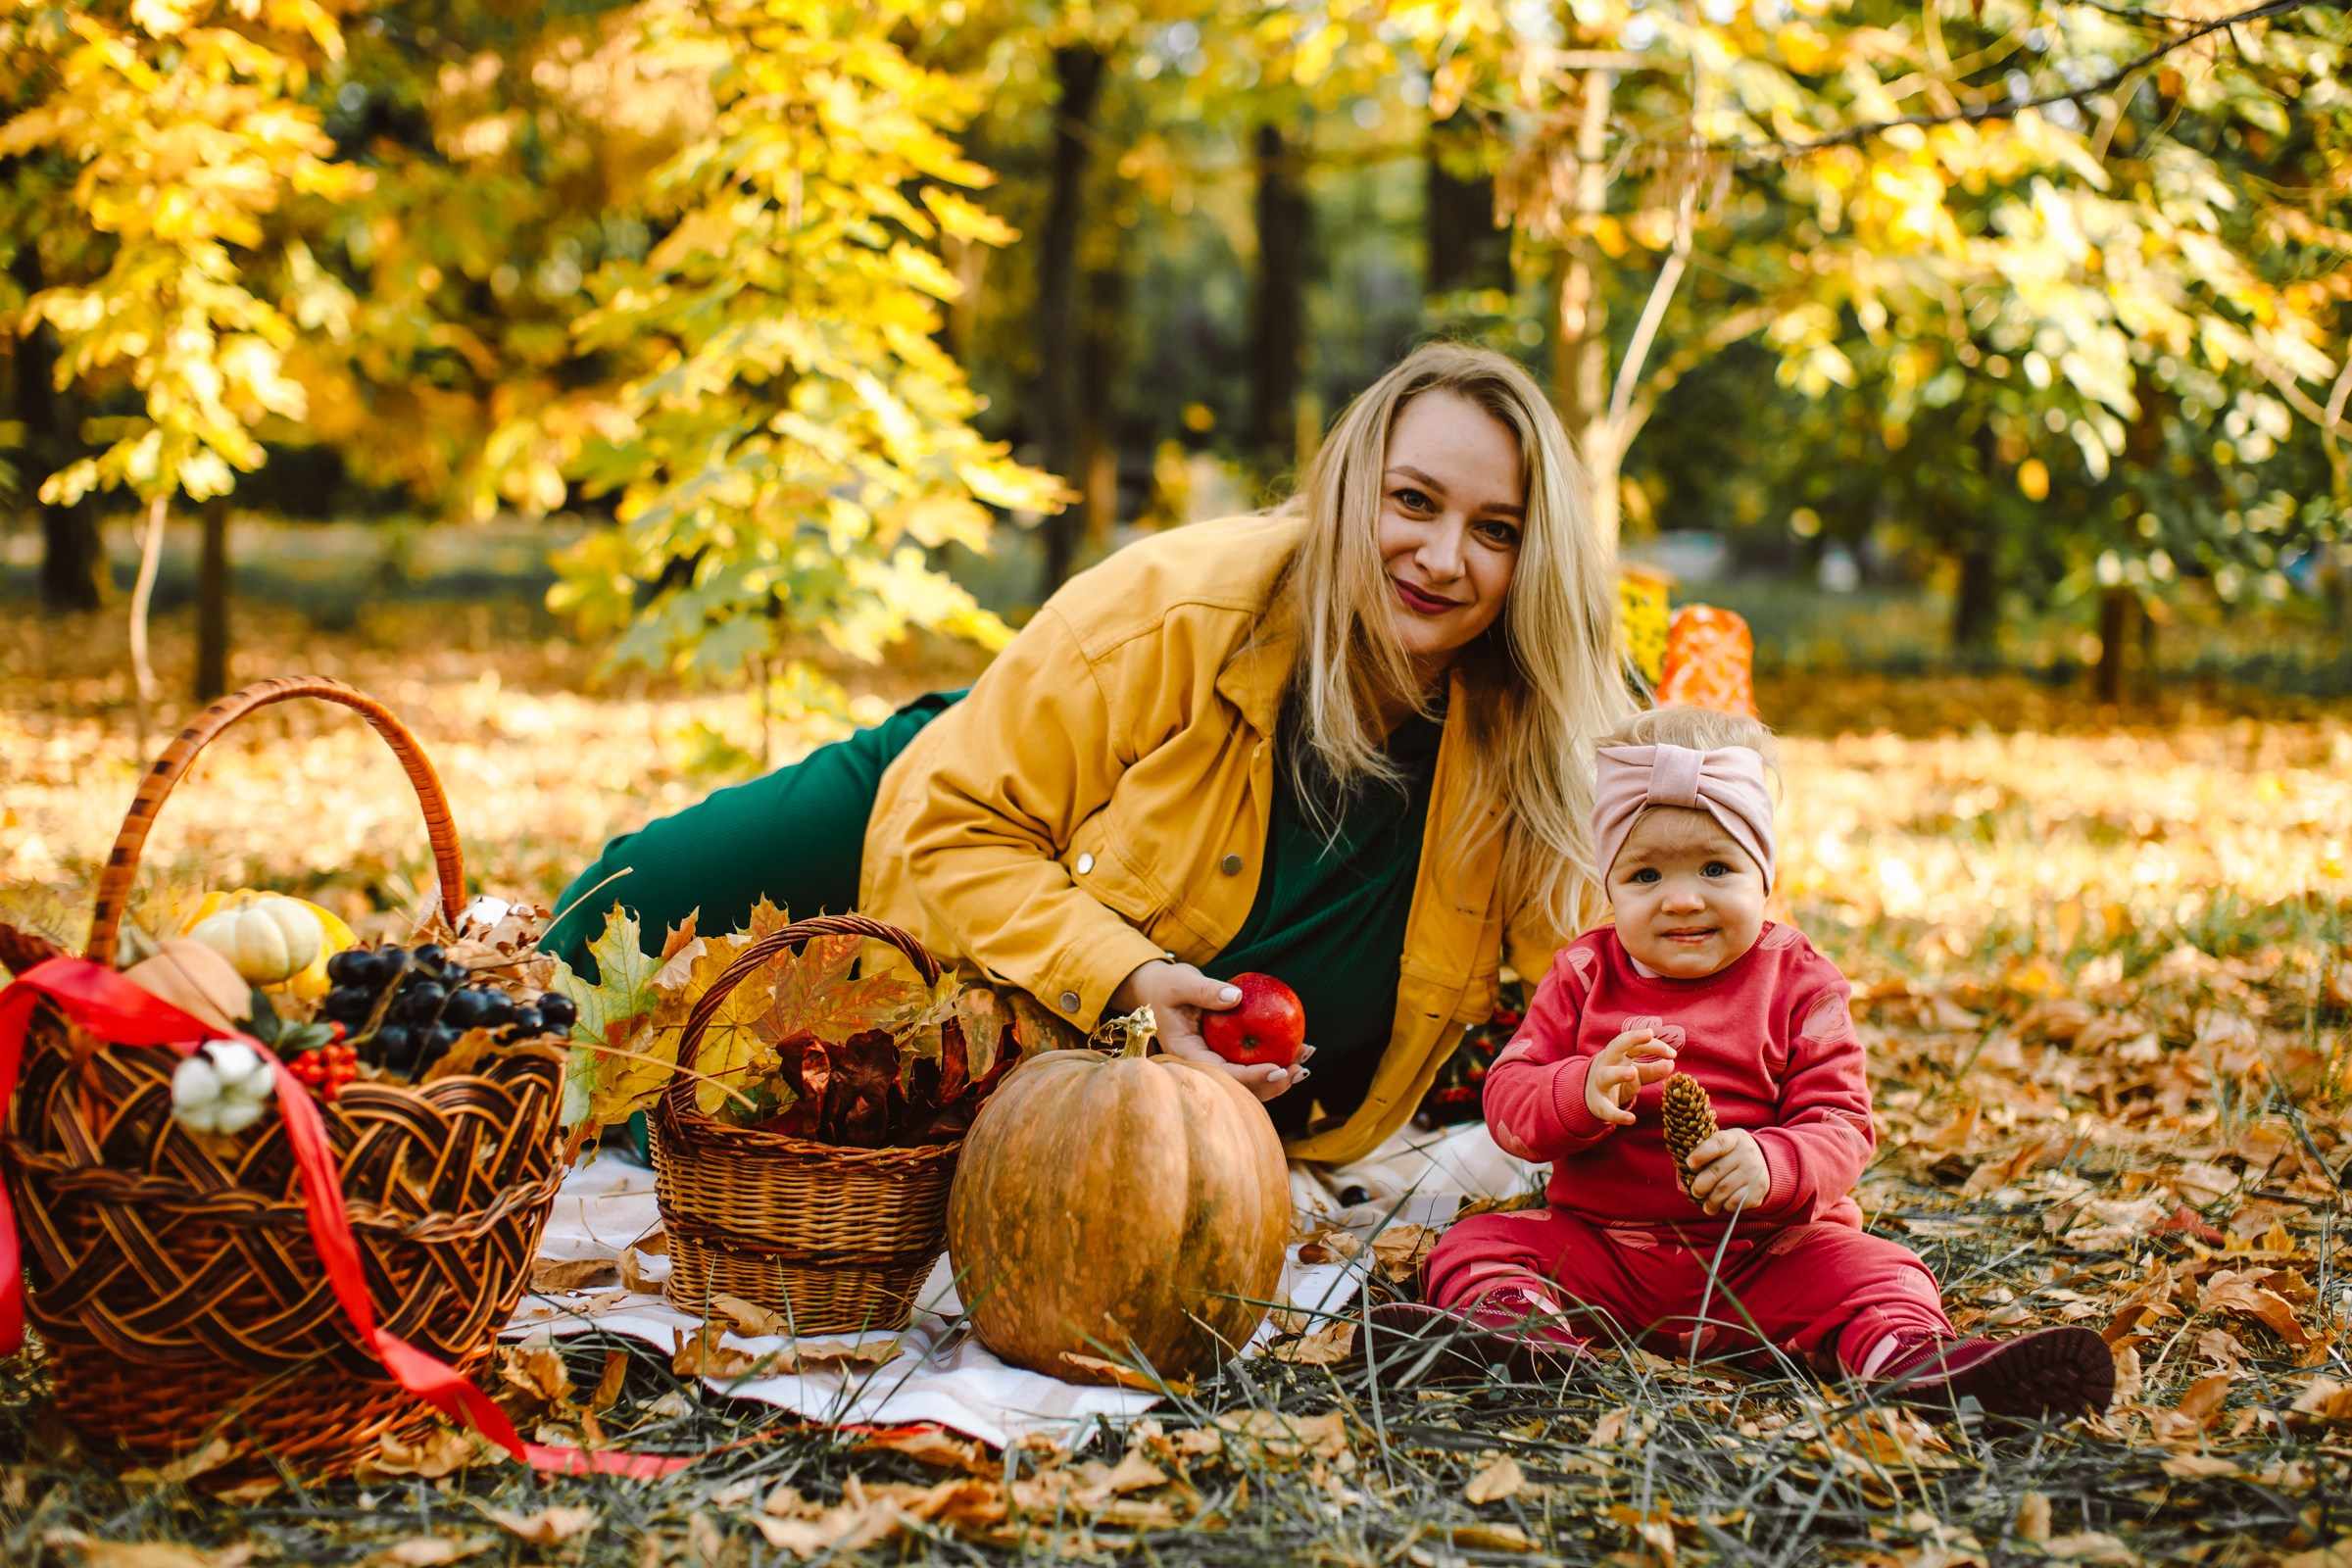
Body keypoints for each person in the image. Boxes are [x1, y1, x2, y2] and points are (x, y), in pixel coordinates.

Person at [547, 343, 1633, 1156]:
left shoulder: (1528, 749)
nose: (1442, 557)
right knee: (603, 929)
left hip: (1038, 1061)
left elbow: (1628, 968)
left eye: (1496, 530)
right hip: (953, 800)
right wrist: (1131, 981)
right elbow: (951, 829)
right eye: (1413, 501)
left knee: (758, 1114)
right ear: (1352, 492)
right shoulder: (1181, 607)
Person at [1378, 706, 2116, 1418]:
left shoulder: (1799, 981)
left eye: (1715, 867)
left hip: (1764, 1256)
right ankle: (1521, 1339)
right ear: (1609, 883)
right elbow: (1509, 1099)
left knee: (1882, 1271)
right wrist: (1579, 1088)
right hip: (1605, 1253)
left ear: (1763, 874)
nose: (1681, 900)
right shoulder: (1582, 974)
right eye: (1645, 876)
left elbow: (1842, 1125)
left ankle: (1912, 1361)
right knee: (1478, 1243)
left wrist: (1772, 1165)